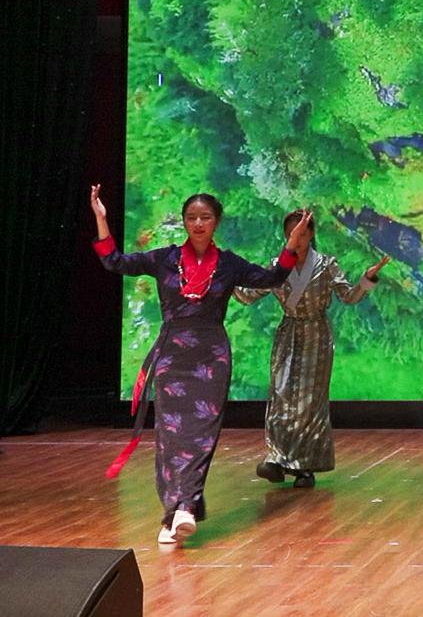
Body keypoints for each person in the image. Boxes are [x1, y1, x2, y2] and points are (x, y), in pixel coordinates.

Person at [89, 184, 311, 545]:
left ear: (216, 222)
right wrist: (101, 218)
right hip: (172, 356)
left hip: (211, 356)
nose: (198, 223)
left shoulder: (229, 263)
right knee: (170, 437)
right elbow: (114, 261)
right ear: (183, 221)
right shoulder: (163, 258)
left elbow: (271, 278)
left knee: (200, 434)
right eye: (191, 217)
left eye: (205, 217)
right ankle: (173, 513)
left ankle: (185, 509)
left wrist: (293, 244)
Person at [234, 209, 389, 489]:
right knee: (281, 394)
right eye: (293, 234)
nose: (299, 239)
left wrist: (367, 279)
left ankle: (305, 466)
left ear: (312, 234)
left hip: (317, 334)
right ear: (286, 236)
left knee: (309, 401)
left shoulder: (326, 265)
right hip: (288, 333)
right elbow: (247, 296)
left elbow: (348, 296)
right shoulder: (277, 266)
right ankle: (277, 458)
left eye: (304, 233)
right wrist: (225, 276)